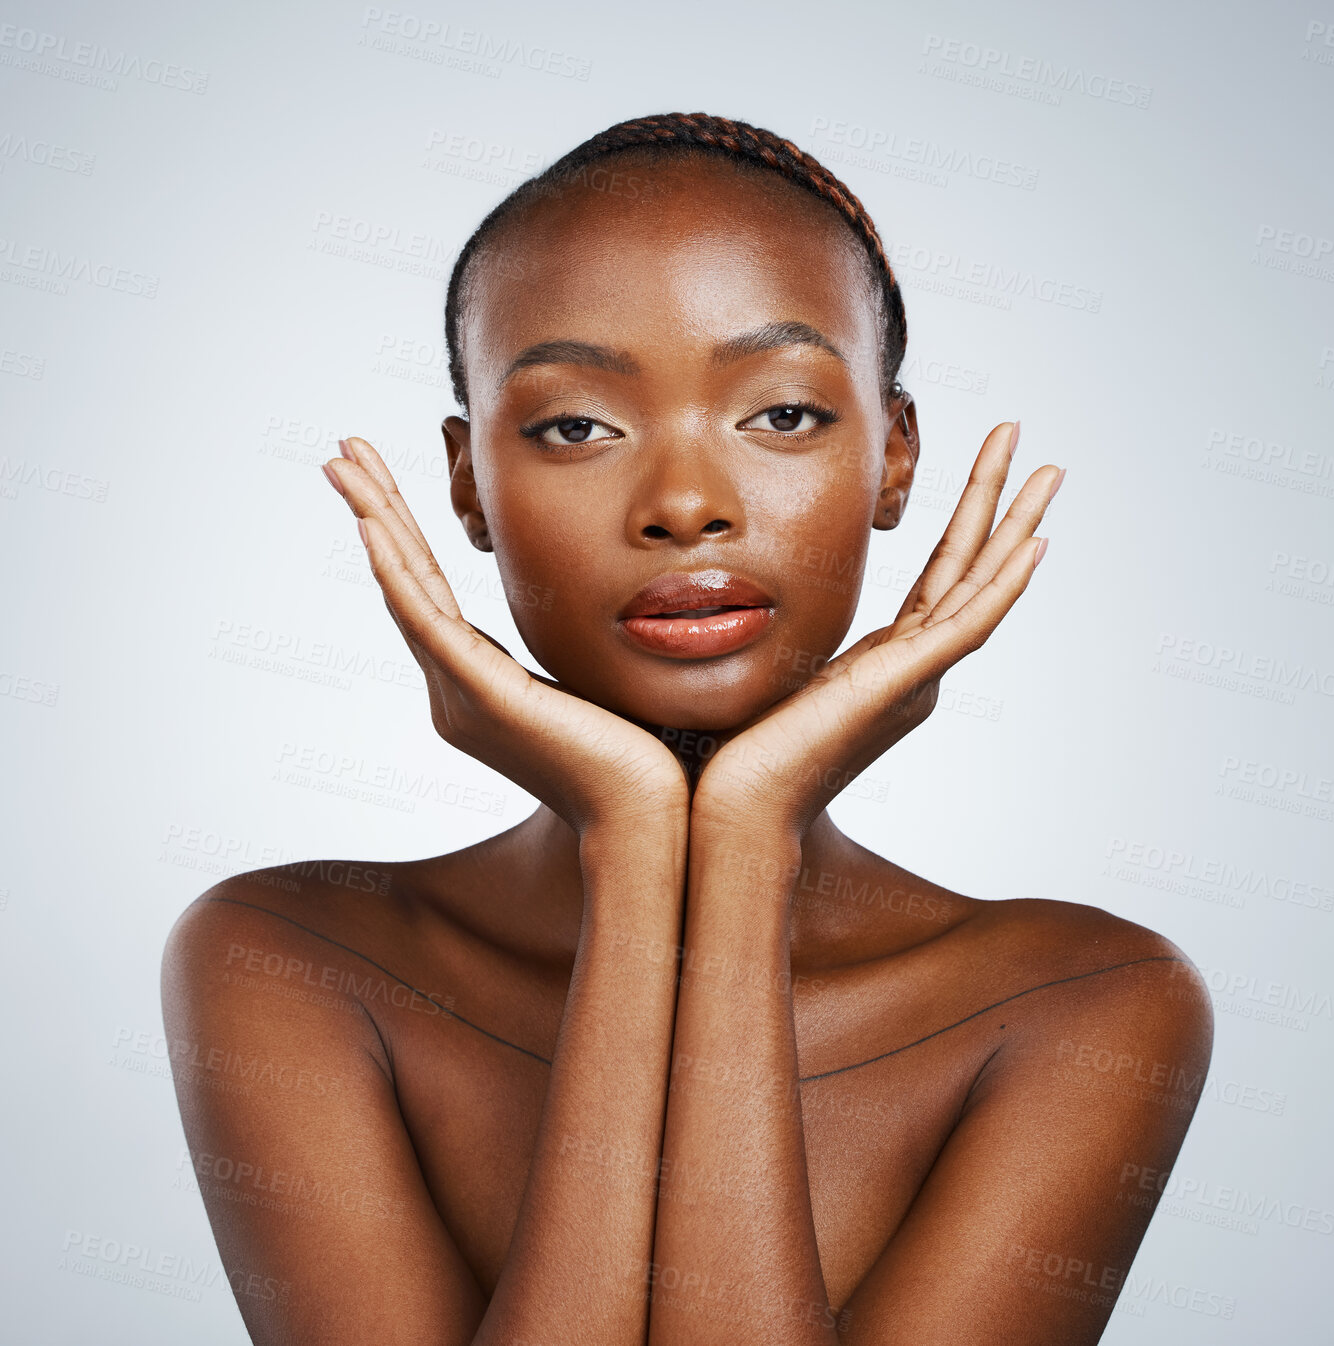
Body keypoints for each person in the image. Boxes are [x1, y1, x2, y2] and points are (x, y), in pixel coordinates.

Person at [162, 111, 1213, 1345]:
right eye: (575, 426)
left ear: (895, 456)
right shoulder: (289, 959)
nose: (684, 506)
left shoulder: (1089, 1006)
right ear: (467, 485)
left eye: (781, 415)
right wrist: (636, 839)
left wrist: (747, 838)